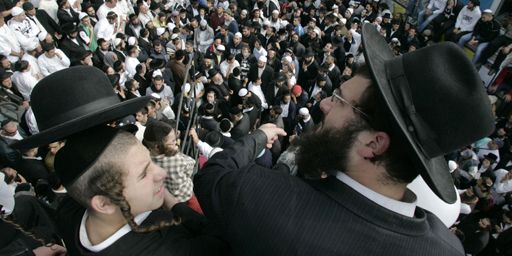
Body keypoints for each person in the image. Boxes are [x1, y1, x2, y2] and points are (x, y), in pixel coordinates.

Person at [194, 23, 493, 255]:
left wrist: (259, 136)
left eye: (339, 100)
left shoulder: (269, 200)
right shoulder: (446, 248)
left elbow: (213, 176)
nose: (324, 104)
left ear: (373, 144)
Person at [11, 66, 228, 256]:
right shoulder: (173, 249)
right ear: (103, 203)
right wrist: (176, 206)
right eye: (144, 173)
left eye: (150, 162)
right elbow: (222, 242)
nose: (161, 173)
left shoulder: (70, 210)